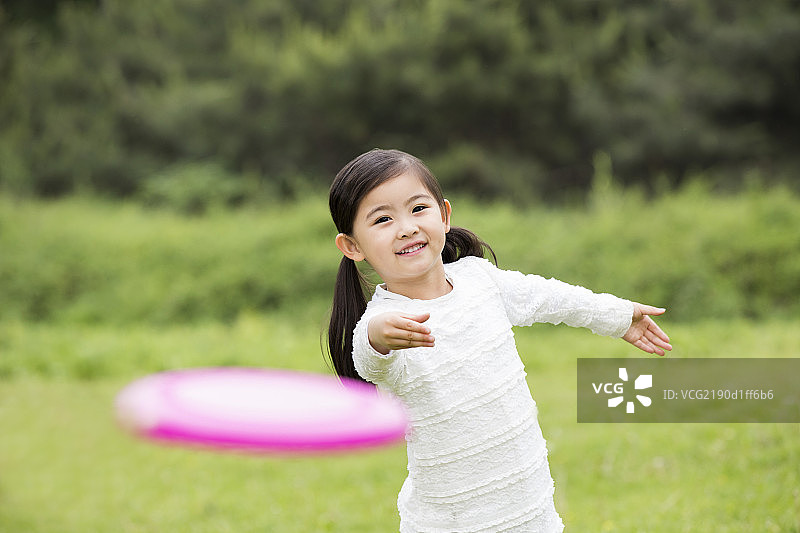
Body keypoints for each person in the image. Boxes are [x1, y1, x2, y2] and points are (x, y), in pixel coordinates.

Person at [327, 148, 671, 532]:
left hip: (527, 502)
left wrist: (618, 316)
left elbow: (549, 296)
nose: (406, 227)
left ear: (444, 215)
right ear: (352, 247)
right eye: (383, 219)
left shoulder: (480, 279)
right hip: (450, 519)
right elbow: (368, 358)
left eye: (418, 209)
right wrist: (379, 336)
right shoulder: (385, 321)